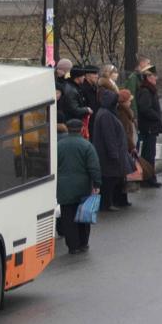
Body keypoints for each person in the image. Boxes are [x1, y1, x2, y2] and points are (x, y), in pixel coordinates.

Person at [56, 120, 101, 255]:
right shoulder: (86, 145)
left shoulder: (58, 146)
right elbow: (94, 167)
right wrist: (97, 184)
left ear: (68, 129)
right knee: (84, 216)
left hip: (63, 188)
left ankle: (73, 246)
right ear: (81, 129)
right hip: (82, 187)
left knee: (68, 217)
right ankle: (83, 243)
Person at [92, 89, 134, 210]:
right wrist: (114, 154)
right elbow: (109, 136)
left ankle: (113, 202)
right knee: (109, 180)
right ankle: (106, 204)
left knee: (114, 179)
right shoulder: (106, 115)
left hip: (112, 153)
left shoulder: (106, 113)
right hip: (109, 155)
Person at [136, 68, 162, 188]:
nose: (156, 78)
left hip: (150, 127)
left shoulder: (149, 90)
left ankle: (149, 178)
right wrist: (156, 116)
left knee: (150, 154)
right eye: (154, 76)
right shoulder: (146, 91)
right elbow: (144, 108)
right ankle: (148, 179)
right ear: (148, 77)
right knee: (148, 154)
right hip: (148, 127)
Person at [55, 58, 92, 124]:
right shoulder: (69, 88)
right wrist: (86, 110)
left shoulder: (67, 84)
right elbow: (73, 109)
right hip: (70, 121)